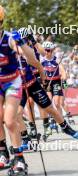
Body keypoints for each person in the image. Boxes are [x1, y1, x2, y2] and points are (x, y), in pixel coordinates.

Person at [0, 5, 30, 174]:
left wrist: (20, 45)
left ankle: (19, 159)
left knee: (10, 120)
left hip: (12, 82)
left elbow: (25, 54)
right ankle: (3, 152)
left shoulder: (9, 38)